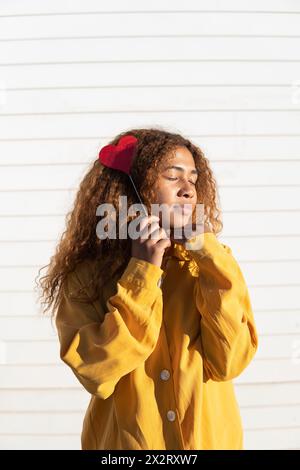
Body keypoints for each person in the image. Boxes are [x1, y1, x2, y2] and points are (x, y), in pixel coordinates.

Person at [36, 127, 259, 450]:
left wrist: (207, 255)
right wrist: (141, 272)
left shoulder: (211, 266)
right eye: (173, 177)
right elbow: (97, 372)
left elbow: (229, 362)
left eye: (193, 180)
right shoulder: (86, 278)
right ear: (131, 189)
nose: (188, 191)